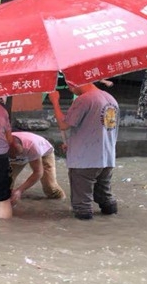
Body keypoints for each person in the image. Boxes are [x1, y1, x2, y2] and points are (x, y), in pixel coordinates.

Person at [49, 83, 119, 220]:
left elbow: (64, 124)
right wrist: (73, 144)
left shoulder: (84, 100)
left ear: (74, 83)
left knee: (82, 204)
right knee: (105, 197)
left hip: (85, 161)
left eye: (69, 86)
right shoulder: (110, 98)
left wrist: (55, 102)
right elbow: (99, 128)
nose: (70, 89)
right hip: (107, 158)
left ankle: (84, 235)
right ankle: (114, 223)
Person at [9, 131, 66, 204]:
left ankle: (61, 203)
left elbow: (38, 173)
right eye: (13, 155)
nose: (16, 157)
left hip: (43, 152)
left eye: (17, 154)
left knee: (51, 188)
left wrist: (20, 190)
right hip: (16, 151)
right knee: (5, 183)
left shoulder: (33, 147)